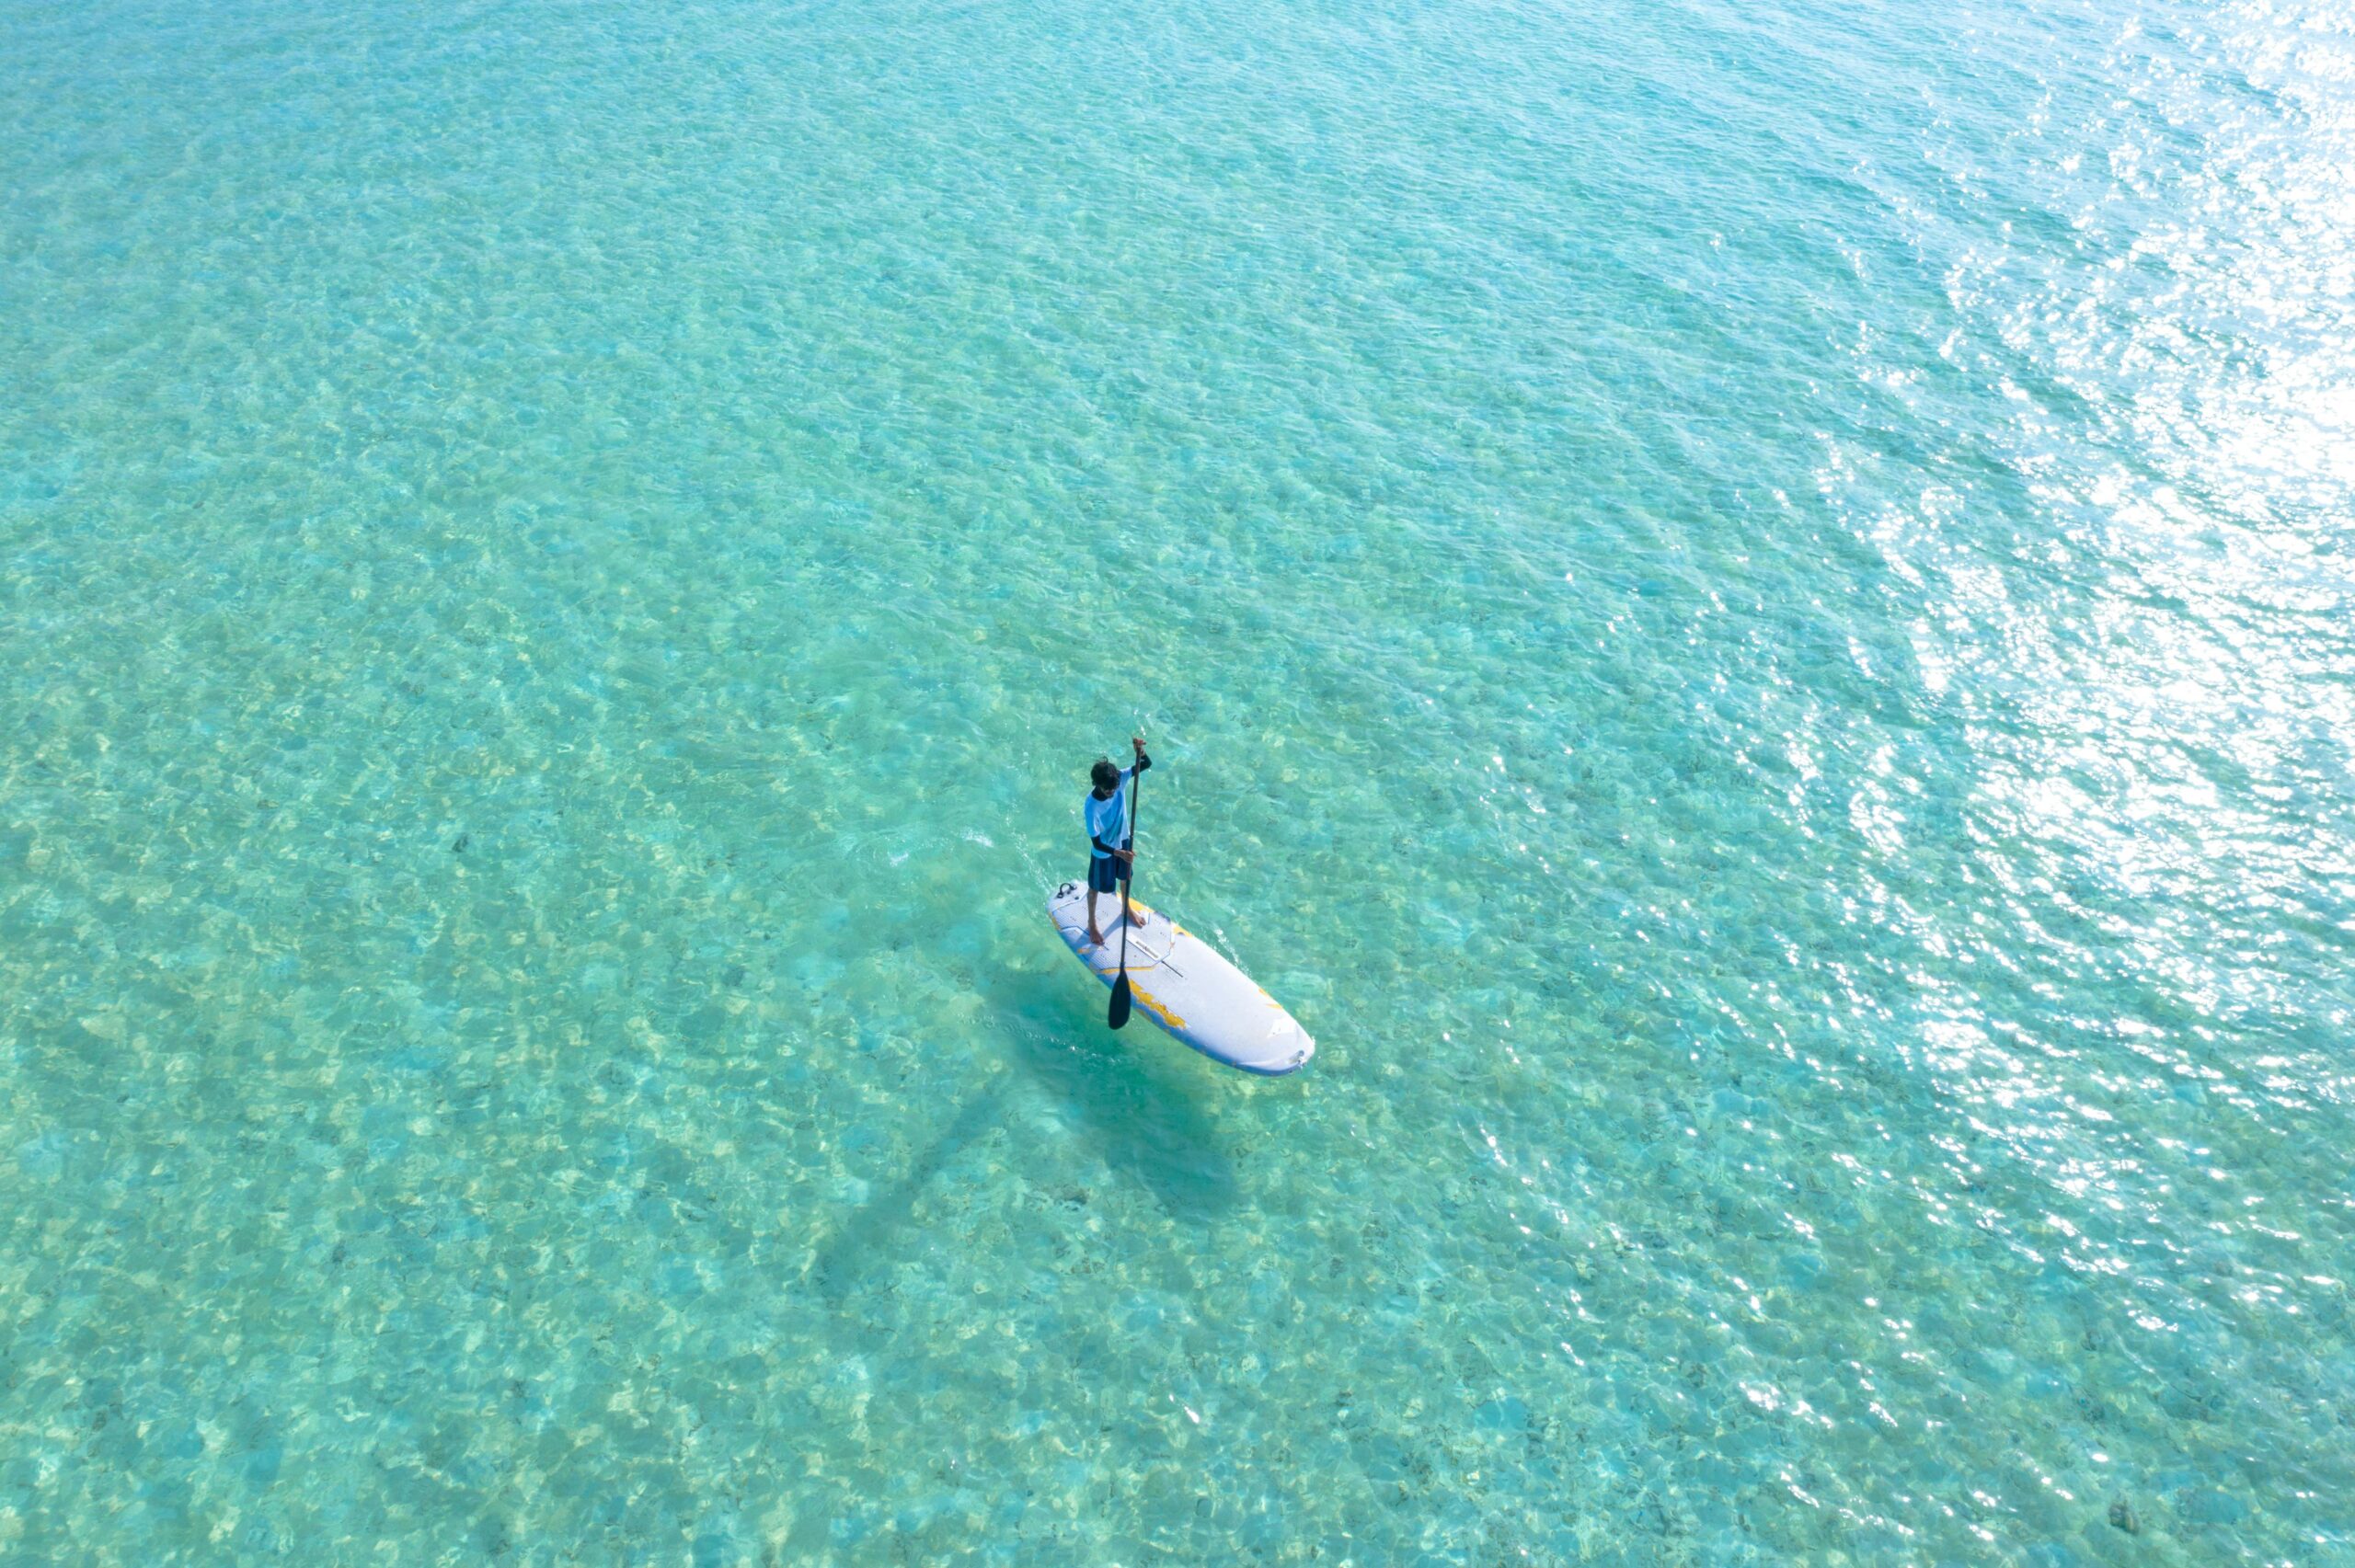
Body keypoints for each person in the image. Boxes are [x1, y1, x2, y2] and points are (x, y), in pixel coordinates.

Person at [1084, 736, 1152, 946]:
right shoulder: (1091, 806)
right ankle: (1092, 922)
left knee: (1125, 876)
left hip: (1123, 838)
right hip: (1104, 851)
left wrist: (1140, 751)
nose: (1112, 792)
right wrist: (1119, 853)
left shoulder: (1119, 778)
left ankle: (1125, 907)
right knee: (1095, 887)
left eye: (1114, 788)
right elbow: (1096, 843)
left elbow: (1147, 764)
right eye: (1108, 790)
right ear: (1097, 784)